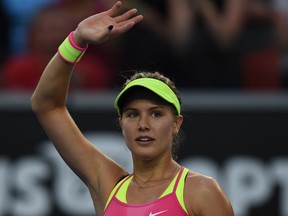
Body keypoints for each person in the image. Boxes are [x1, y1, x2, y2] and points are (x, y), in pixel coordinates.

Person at [31, 1, 234, 215]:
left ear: (176, 123)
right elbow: (46, 105)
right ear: (121, 124)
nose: (143, 125)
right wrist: (76, 40)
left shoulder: (202, 191)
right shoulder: (108, 185)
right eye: (132, 114)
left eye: (156, 114)